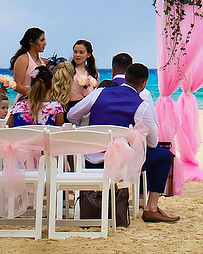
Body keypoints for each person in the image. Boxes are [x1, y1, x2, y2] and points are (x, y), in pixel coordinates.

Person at [69, 62, 181, 223]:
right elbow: (152, 142)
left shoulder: (99, 92)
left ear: (125, 77)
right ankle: (151, 208)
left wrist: (87, 129)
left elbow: (72, 114)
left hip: (90, 159)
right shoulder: (141, 105)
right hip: (121, 165)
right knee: (164, 156)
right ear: (144, 84)